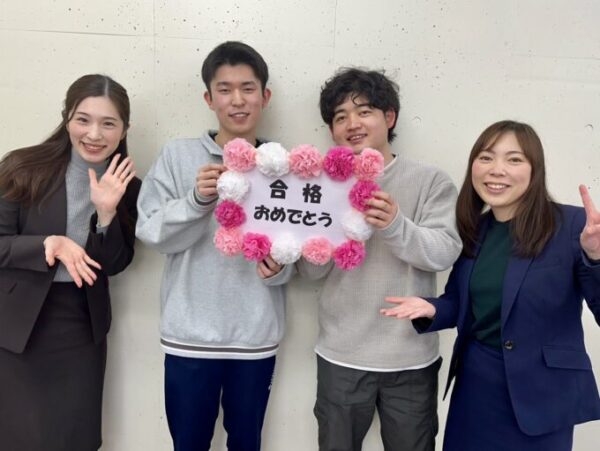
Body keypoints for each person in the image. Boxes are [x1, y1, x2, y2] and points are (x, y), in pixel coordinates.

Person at [381, 120, 600, 451]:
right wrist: (432, 308)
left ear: (534, 170)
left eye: (514, 159)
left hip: (542, 395)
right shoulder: (475, 228)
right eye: (486, 157)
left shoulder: (572, 225)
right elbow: (459, 301)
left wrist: (595, 258)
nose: (497, 170)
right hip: (476, 389)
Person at [136, 41, 293, 451]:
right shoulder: (178, 156)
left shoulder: (284, 167)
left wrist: (280, 268)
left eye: (248, 88)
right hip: (189, 337)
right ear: (209, 98)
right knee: (188, 444)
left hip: (255, 338)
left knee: (247, 443)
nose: (237, 100)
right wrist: (196, 200)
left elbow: (297, 248)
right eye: (225, 89)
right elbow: (151, 232)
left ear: (265, 96)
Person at [296, 68, 462, 451]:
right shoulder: (321, 185)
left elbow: (443, 252)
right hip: (341, 355)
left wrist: (394, 224)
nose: (352, 124)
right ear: (332, 131)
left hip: (410, 359)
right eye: (340, 117)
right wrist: (333, 227)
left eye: (364, 111)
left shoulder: (430, 181)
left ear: (390, 117)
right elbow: (310, 271)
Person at [0, 74, 140, 451]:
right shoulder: (23, 167)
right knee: (19, 436)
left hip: (81, 323)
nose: (94, 134)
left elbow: (116, 263)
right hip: (18, 323)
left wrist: (107, 214)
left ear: (124, 129)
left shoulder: (128, 186)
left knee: (74, 436)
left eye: (108, 123)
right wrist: (49, 244)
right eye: (83, 120)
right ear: (67, 119)